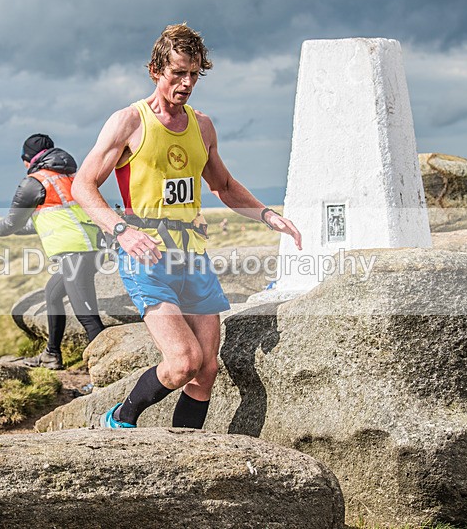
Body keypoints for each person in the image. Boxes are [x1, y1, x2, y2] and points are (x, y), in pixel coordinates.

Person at [72, 23, 302, 429]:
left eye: (195, 74)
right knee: (182, 362)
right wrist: (121, 231)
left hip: (193, 257)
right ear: (157, 69)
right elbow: (82, 185)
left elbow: (225, 186)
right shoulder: (130, 121)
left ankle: (185, 450)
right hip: (147, 257)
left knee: (207, 369)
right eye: (178, 73)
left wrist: (268, 214)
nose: (187, 83)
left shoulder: (203, 126)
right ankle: (120, 417)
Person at [0, 134, 105, 370]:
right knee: (53, 295)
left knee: (87, 316)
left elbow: (12, 223)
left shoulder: (34, 182)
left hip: (74, 254)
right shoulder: (70, 176)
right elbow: (45, 220)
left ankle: (103, 373)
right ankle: (51, 355)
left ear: (26, 160)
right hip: (91, 248)